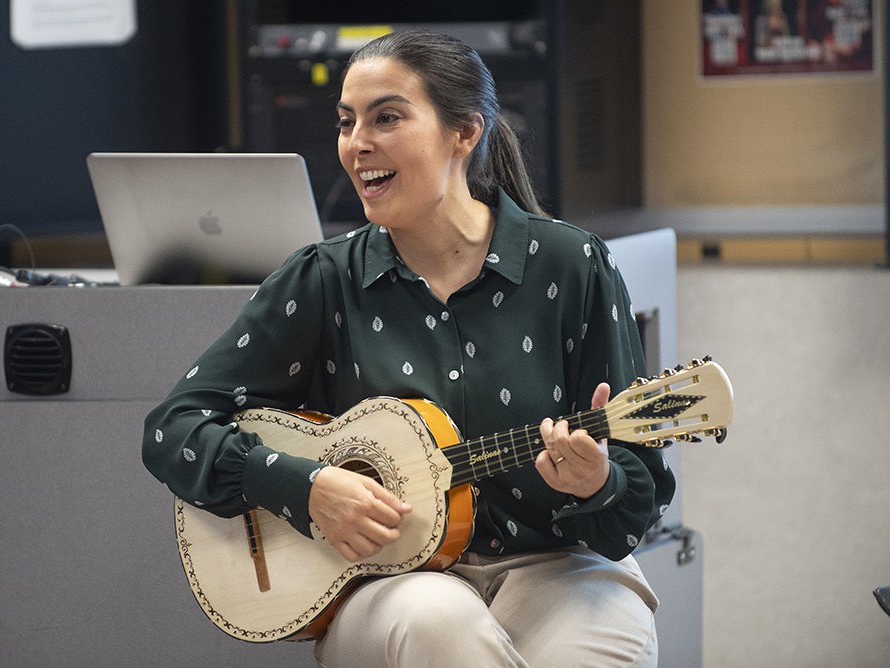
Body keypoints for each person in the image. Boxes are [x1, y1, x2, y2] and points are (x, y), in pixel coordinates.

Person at [142, 29, 675, 668]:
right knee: (438, 621)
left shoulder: (573, 265)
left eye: (386, 117)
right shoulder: (322, 279)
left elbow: (637, 504)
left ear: (464, 133)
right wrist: (305, 485)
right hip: (388, 587)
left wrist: (597, 483)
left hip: (561, 568)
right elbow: (172, 430)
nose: (357, 143)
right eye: (347, 122)